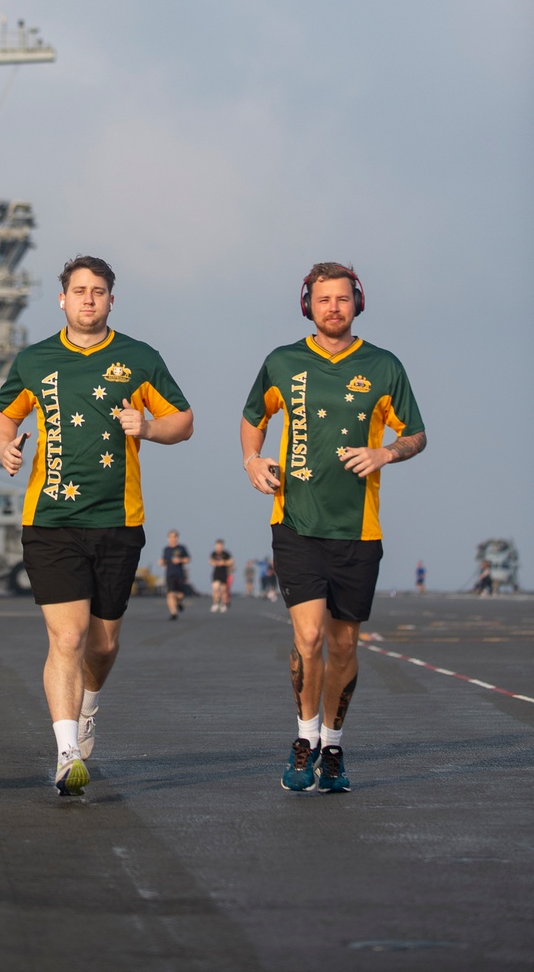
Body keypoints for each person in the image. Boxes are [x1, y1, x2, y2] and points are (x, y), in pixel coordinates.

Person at [0, 255, 193, 795]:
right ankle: (65, 753)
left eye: (98, 291)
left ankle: (89, 706)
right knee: (68, 637)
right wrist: (4, 444)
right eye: (78, 290)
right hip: (51, 519)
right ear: (62, 298)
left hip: (118, 522)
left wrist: (147, 426)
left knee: (101, 647)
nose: (88, 299)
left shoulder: (139, 357)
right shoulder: (35, 360)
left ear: (110, 300)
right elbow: (3, 411)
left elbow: (183, 421)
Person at [240, 263, 426, 794]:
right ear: (308, 305)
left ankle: (335, 745)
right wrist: (252, 459)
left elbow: (415, 433)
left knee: (343, 646)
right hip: (295, 522)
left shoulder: (383, 366)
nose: (334, 308)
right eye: (324, 300)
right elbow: (254, 415)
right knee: (309, 635)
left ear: (357, 303)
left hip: (358, 530)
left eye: (342, 299)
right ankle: (304, 739)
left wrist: (385, 451)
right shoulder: (283, 361)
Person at [161, 530, 191, 620]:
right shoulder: (166, 549)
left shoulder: (182, 548)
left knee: (180, 595)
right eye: (170, 537)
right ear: (168, 538)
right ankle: (173, 613)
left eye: (174, 537)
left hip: (179, 574)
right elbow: (164, 561)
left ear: (177, 538)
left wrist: (180, 560)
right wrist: (162, 562)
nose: (172, 539)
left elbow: (188, 559)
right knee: (170, 594)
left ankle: (179, 603)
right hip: (170, 574)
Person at [209, 539, 233, 613]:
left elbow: (231, 562)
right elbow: (210, 561)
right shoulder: (213, 553)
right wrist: (215, 562)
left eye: (220, 546)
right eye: (217, 546)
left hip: (224, 573)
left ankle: (223, 604)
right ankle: (215, 603)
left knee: (223, 590)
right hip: (216, 573)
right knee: (215, 588)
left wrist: (224, 563)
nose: (218, 548)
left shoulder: (226, 554)